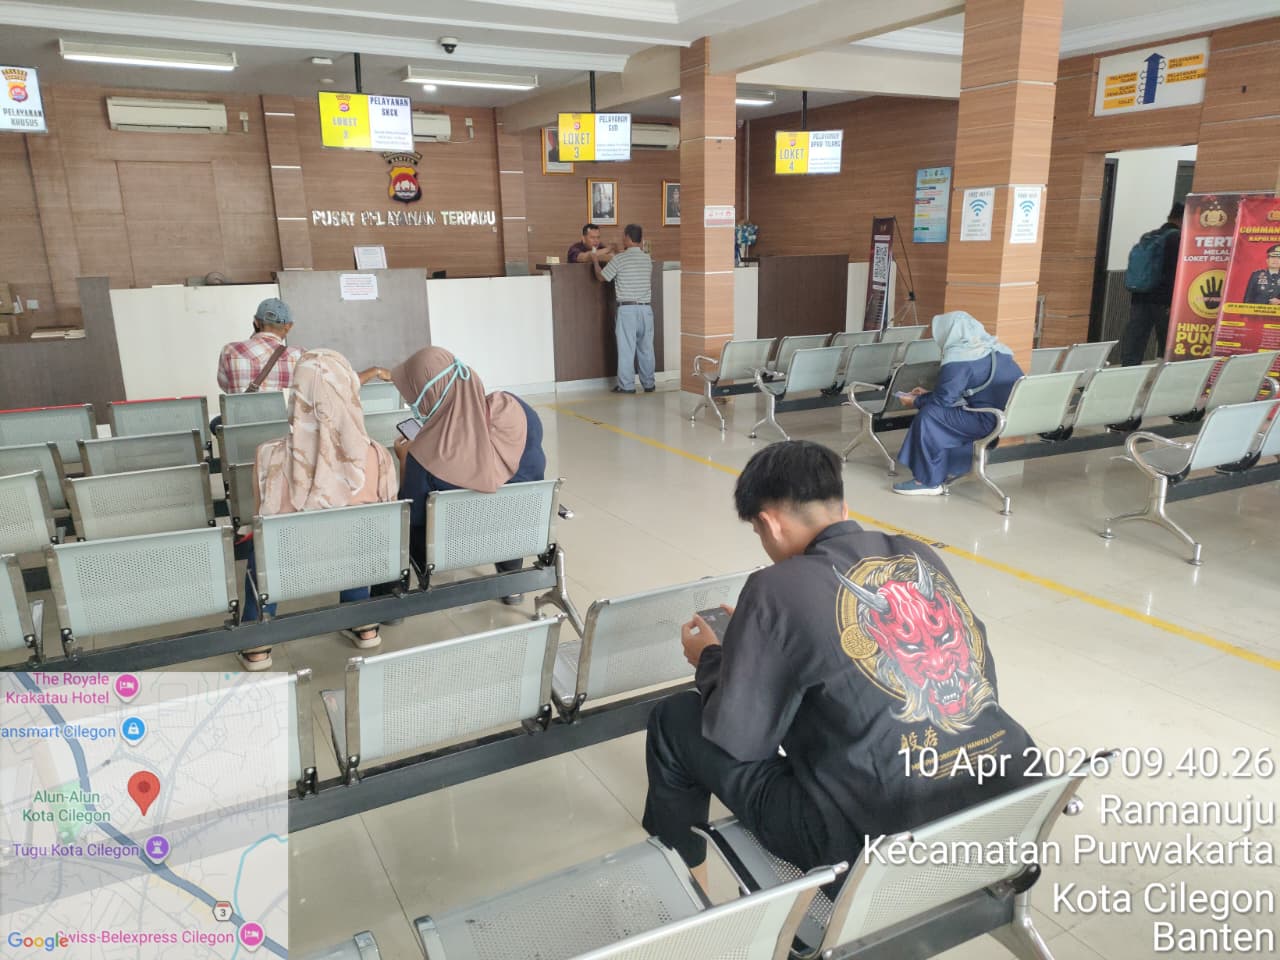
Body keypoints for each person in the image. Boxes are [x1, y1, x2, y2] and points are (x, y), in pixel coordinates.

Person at [643, 440, 1037, 891]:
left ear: (769, 523)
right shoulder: (919, 556)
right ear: (843, 507)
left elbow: (740, 740)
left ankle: (686, 889)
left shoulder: (774, 587)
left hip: (871, 845)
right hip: (1001, 812)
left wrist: (712, 658)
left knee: (675, 720)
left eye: (757, 531)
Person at [237, 349, 398, 670]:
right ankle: (363, 622)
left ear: (297, 394)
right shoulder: (377, 455)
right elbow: (386, 520)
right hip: (354, 558)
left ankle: (256, 640)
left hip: (291, 563)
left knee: (264, 547)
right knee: (359, 532)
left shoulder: (268, 455)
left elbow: (260, 520)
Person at [389, 346, 546, 604]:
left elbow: (411, 515)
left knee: (393, 519)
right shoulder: (518, 410)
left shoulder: (424, 454)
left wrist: (405, 461)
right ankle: (512, 582)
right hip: (518, 531)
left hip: (454, 547)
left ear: (431, 396)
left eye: (415, 397)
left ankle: (393, 597)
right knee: (511, 499)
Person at [893, 311, 1024, 496]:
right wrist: (930, 394)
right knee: (943, 411)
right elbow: (961, 392)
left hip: (986, 420)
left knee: (929, 415)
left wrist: (916, 400)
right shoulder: (998, 351)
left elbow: (942, 401)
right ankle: (956, 467)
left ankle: (928, 481)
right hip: (1009, 419)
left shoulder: (960, 358)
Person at [593, 223, 656, 394]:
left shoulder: (620, 259)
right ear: (641, 239)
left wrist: (595, 261)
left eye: (623, 236)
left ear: (627, 238)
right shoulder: (647, 259)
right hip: (646, 310)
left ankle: (627, 386)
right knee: (646, 349)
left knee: (627, 349)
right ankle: (649, 384)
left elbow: (602, 277)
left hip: (627, 310)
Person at [1120, 202, 1183, 366]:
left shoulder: (1148, 236)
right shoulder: (1176, 238)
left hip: (1140, 296)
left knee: (1135, 338)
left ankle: (1127, 370)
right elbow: (1173, 272)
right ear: (1183, 219)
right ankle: (1164, 371)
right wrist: (1172, 302)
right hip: (1163, 300)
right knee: (1166, 341)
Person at [217, 298, 304, 395]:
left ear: (256, 322)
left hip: (243, 405)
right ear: (288, 326)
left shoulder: (230, 350)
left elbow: (225, 386)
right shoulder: (300, 356)